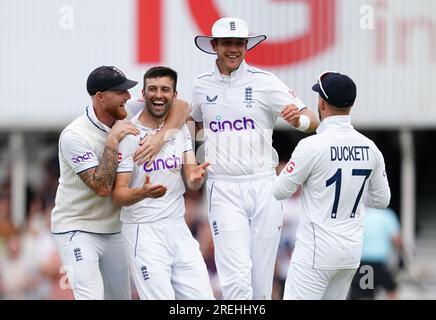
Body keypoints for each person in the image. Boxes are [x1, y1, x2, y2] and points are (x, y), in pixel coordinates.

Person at [190, 17, 319, 300]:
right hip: (223, 188)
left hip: (263, 186)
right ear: (214, 46)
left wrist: (297, 120)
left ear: (246, 46)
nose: (234, 49)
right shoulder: (200, 85)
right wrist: (191, 157)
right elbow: (193, 124)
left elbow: (313, 121)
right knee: (236, 282)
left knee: (261, 283)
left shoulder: (265, 82)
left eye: (239, 43)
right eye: (227, 43)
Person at [51, 65, 189, 300]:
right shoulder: (74, 136)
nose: (128, 97)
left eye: (127, 91)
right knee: (91, 296)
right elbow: (102, 188)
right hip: (77, 228)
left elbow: (182, 106)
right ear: (100, 98)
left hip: (115, 228)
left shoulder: (125, 109)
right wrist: (112, 141)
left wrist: (159, 138)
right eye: (121, 92)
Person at [273, 71, 391, 300]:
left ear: (321, 103)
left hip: (316, 252)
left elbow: (280, 191)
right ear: (352, 104)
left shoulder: (311, 146)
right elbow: (381, 200)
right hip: (350, 253)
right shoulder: (370, 148)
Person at [112, 66, 215, 300]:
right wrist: (143, 193)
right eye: (153, 89)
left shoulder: (179, 130)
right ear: (144, 93)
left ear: (174, 95)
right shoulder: (129, 134)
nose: (159, 95)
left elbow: (191, 178)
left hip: (178, 228)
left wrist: (196, 178)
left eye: (165, 89)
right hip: (143, 230)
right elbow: (118, 195)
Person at [349, 207, 402, 300]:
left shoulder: (361, 215)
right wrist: (401, 255)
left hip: (364, 262)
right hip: (380, 263)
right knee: (391, 289)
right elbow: (396, 240)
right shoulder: (387, 215)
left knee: (366, 292)